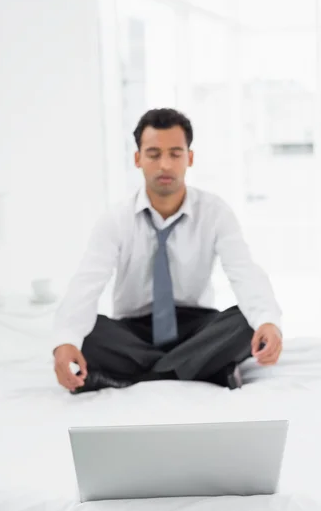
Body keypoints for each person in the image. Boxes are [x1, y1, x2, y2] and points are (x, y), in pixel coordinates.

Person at [52, 108, 282, 394]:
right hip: (133, 331)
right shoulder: (115, 219)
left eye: (175, 153)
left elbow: (243, 271)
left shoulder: (215, 212)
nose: (165, 165)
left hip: (196, 328)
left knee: (247, 323)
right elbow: (87, 281)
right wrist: (66, 341)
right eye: (153, 154)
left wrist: (267, 321)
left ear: (190, 157)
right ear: (138, 159)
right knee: (86, 333)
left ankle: (137, 378)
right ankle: (202, 371)